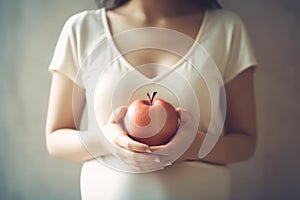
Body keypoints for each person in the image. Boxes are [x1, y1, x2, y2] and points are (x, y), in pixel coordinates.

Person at [46, 0, 258, 199]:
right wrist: (105, 141)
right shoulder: (82, 29)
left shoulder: (226, 28)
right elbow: (55, 138)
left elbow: (245, 142)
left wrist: (195, 146)